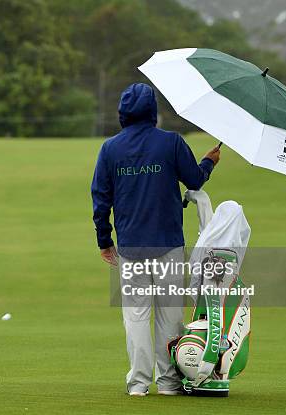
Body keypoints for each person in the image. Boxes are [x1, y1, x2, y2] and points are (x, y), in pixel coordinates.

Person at [91, 83, 220, 396]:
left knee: (136, 317)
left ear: (123, 113)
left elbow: (100, 198)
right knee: (169, 315)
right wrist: (209, 161)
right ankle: (168, 383)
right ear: (153, 112)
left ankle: (138, 384)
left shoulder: (110, 148)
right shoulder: (171, 143)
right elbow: (194, 179)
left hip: (131, 247)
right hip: (168, 246)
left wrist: (104, 240)